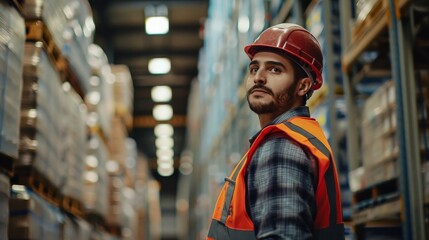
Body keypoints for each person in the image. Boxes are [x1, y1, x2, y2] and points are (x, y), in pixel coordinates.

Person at [207, 23, 345, 239]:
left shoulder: (281, 147)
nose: (258, 78)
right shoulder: (295, 138)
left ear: (303, 86)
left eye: (274, 69)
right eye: (254, 69)